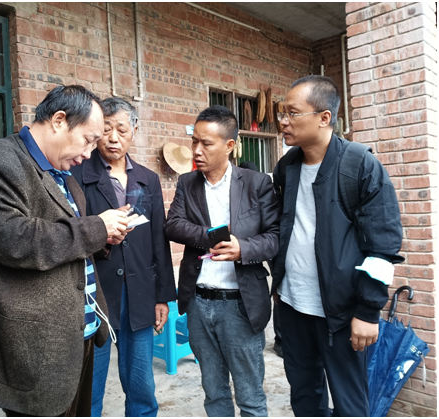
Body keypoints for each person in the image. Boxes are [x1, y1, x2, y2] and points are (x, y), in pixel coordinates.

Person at [0, 85, 136, 417]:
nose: (89, 153)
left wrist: (103, 239)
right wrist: (96, 228)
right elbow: (12, 238)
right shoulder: (2, 157)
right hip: (37, 347)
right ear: (58, 120)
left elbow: (67, 243)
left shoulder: (65, 177)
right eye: (87, 140)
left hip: (79, 336)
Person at [271, 75, 404, 416]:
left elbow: (383, 246)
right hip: (293, 305)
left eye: (292, 113)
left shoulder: (360, 165)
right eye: (282, 113)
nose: (283, 121)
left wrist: (368, 311)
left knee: (349, 403)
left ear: (324, 117)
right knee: (304, 397)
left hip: (342, 312)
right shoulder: (286, 167)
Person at [165, 106, 280, 417]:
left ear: (229, 145)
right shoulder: (187, 182)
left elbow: (275, 237)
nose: (196, 150)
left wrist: (243, 248)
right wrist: (209, 236)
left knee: (250, 396)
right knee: (213, 393)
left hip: (240, 305)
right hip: (199, 302)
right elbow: (172, 225)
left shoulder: (256, 184)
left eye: (206, 143)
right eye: (194, 142)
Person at [71, 97, 177, 417]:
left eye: (121, 130)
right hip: (96, 296)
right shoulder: (78, 174)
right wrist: (101, 237)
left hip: (140, 293)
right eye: (106, 130)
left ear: (134, 131)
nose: (113, 138)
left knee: (142, 386)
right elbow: (71, 235)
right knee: (90, 388)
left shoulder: (147, 179)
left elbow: (159, 239)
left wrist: (163, 296)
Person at [238, 161, 282, 358]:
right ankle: (280, 339)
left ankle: (280, 338)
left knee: (278, 288)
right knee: (278, 288)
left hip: (264, 246)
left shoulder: (261, 189)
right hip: (259, 249)